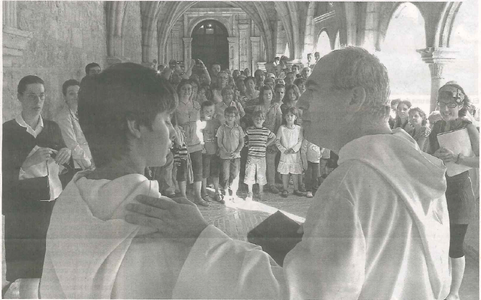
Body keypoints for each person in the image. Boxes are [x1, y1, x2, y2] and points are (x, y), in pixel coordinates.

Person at [125, 47, 450, 299]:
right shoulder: (411, 163)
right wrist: (306, 240)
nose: (301, 102)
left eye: (313, 89)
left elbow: (297, 293)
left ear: (355, 98)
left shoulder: (351, 183)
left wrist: (199, 234)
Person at [39, 63, 187, 298]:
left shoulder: (67, 203)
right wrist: (203, 234)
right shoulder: (158, 218)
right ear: (136, 125)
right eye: (167, 120)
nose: (172, 131)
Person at [3, 75, 71, 284]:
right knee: (28, 274)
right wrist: (26, 163)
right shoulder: (7, 131)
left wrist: (65, 155)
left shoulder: (51, 127)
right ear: (19, 97)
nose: (37, 102)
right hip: (23, 213)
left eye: (41, 96)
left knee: (52, 272)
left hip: (52, 207)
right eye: (31, 96)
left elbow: (62, 168)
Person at [427, 82, 479, 300]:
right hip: (440, 191)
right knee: (438, 242)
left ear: (460, 105)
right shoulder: (437, 127)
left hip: (460, 193)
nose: (446, 109)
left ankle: (455, 293)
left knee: (456, 245)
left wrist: (457, 158)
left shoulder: (468, 127)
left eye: (451, 105)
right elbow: (427, 156)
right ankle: (441, 287)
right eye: (442, 104)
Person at [175, 79, 208, 206]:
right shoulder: (176, 105)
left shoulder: (196, 105)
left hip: (196, 141)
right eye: (184, 88)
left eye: (189, 89)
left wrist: (202, 141)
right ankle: (183, 197)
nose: (187, 91)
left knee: (198, 169)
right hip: (182, 141)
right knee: (182, 169)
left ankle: (198, 196)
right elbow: (174, 123)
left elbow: (200, 124)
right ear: (179, 90)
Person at [56, 79, 93, 171]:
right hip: (78, 164)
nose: (76, 97)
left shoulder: (83, 113)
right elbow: (72, 145)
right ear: (65, 97)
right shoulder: (63, 117)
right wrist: (89, 165)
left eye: (78, 93)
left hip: (92, 159)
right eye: (71, 94)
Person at [254, 85, 283, 194]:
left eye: (269, 93)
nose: (268, 96)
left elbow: (279, 122)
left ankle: (271, 184)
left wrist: (274, 137)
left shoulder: (276, 107)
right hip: (260, 136)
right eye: (265, 94)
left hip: (273, 136)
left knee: (270, 162)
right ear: (262, 95)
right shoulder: (258, 107)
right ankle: (261, 183)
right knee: (260, 161)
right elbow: (255, 121)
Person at [244, 110, 276, 202]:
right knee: (250, 174)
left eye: (261, 119)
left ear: (264, 120)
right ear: (253, 119)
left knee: (261, 175)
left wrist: (266, 144)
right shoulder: (250, 130)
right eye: (256, 119)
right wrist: (246, 143)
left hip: (261, 157)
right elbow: (242, 136)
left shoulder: (266, 130)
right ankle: (250, 193)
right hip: (251, 156)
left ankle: (260, 192)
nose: (258, 121)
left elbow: (273, 137)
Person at [216, 106, 244, 201]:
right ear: (225, 116)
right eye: (228, 116)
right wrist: (225, 151)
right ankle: (226, 191)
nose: (230, 118)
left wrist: (236, 152)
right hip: (225, 156)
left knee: (235, 174)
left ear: (235, 117)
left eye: (232, 116)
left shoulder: (239, 128)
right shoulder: (222, 128)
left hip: (236, 156)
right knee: (226, 174)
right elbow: (219, 142)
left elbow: (242, 142)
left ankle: (234, 193)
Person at [276, 107, 304, 198]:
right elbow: (277, 140)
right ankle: (285, 189)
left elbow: (300, 141)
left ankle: (296, 189)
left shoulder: (299, 129)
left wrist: (294, 149)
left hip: (294, 154)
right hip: (285, 154)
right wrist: (283, 150)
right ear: (284, 117)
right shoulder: (282, 128)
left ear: (295, 117)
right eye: (287, 115)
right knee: (285, 172)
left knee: (295, 171)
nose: (289, 117)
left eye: (291, 115)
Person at [199, 101, 224, 204]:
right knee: (205, 172)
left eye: (211, 110)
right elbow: (199, 135)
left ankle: (217, 191)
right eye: (206, 111)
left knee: (215, 172)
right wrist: (202, 147)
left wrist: (219, 147)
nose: (209, 113)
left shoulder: (217, 122)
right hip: (205, 151)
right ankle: (204, 191)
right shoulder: (201, 122)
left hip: (215, 151)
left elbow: (220, 136)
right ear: (202, 111)